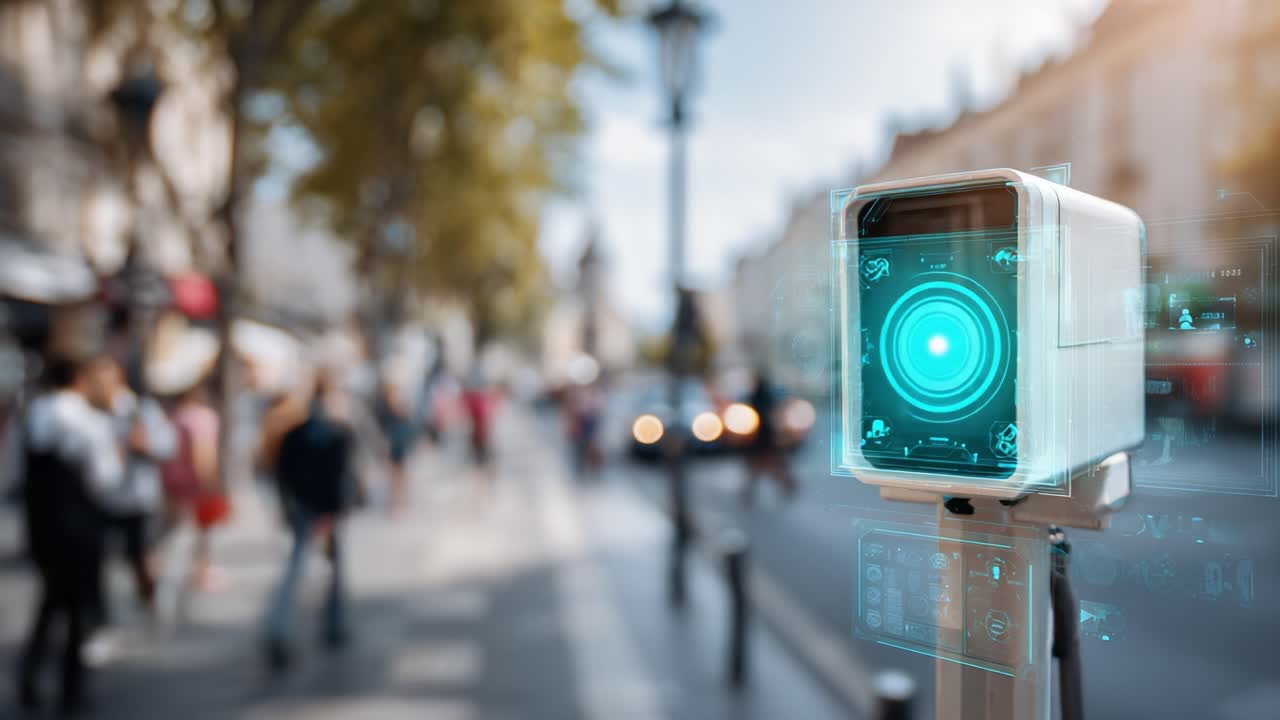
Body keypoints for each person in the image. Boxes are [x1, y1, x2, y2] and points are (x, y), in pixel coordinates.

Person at [6, 353, 123, 714]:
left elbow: (12, 474)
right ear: (78, 380)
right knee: (75, 609)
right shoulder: (86, 421)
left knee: (51, 598)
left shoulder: (26, 419)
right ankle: (71, 691)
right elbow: (106, 478)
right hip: (80, 526)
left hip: (40, 525)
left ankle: (30, 675)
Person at [263, 369, 356, 670]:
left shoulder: (298, 432)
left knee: (305, 570)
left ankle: (318, 625)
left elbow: (283, 474)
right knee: (320, 569)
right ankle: (324, 626)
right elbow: (342, 478)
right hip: (321, 510)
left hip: (306, 509)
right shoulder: (336, 433)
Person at [160, 381, 226, 591]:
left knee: (176, 530)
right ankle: (200, 571)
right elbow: (202, 452)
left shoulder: (175, 416)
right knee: (202, 532)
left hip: (173, 481)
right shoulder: (202, 417)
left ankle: (169, 572)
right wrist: (208, 480)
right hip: (195, 484)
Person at [742, 372, 796, 505]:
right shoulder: (765, 398)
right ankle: (788, 486)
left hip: (761, 438)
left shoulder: (757, 398)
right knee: (768, 467)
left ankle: (788, 486)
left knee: (764, 467)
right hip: (764, 438)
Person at [375, 377, 415, 512]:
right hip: (391, 443)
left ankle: (400, 501)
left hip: (398, 443)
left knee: (400, 473)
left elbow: (406, 420)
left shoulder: (397, 403)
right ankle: (396, 502)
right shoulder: (383, 405)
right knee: (394, 474)